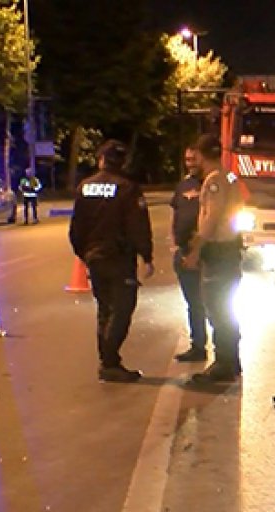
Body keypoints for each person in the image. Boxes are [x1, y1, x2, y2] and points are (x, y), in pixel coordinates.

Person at [68, 141, 155, 383]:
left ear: (101, 160)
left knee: (105, 308)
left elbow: (76, 228)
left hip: (95, 257)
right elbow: (138, 226)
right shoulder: (128, 189)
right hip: (119, 258)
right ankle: (109, 361)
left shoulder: (85, 187)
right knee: (122, 308)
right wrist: (146, 256)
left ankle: (107, 361)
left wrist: (83, 254)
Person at [182, 134, 245, 384]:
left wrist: (196, 249)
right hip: (229, 249)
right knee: (226, 307)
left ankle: (223, 364)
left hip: (219, 251)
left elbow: (211, 218)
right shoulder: (229, 176)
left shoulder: (214, 181)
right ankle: (232, 360)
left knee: (217, 308)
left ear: (201, 154)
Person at [171, 146, 208, 362]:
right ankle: (198, 345)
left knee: (214, 303)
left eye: (194, 159)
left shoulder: (214, 183)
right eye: (187, 159)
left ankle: (226, 354)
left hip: (207, 254)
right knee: (194, 302)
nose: (190, 163)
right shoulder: (184, 184)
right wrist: (174, 245)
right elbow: (175, 213)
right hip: (184, 252)